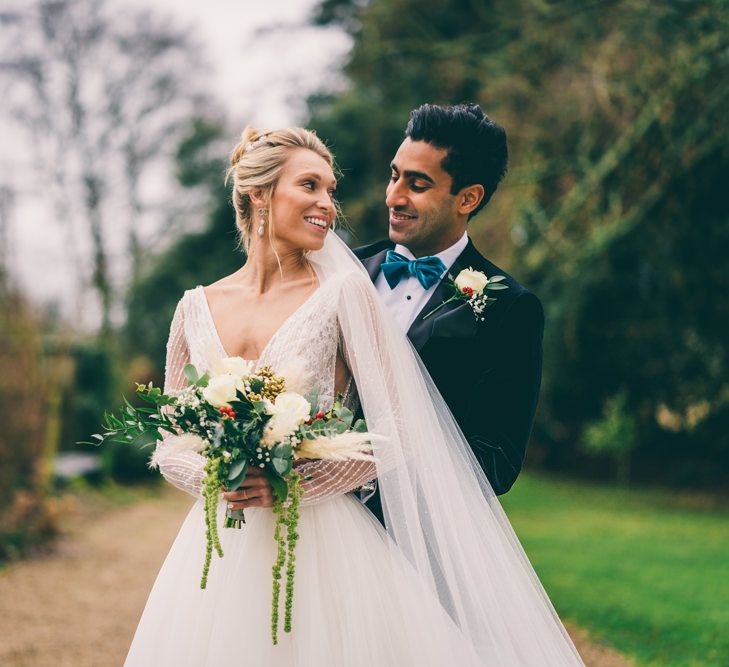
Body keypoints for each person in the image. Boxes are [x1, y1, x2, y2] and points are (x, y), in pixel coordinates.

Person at [125, 127, 583, 665]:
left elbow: (439, 435)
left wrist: (294, 480)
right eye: (311, 186)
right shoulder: (206, 304)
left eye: (415, 183)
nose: (333, 204)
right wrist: (228, 474)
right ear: (259, 193)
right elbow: (173, 436)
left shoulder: (354, 292)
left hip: (351, 538)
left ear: (468, 198)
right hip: (226, 542)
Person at [354, 103, 542, 524]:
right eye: (393, 175)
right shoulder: (342, 271)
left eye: (417, 185)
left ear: (468, 198)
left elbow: (496, 460)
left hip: (416, 544)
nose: (393, 197)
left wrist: (361, 478)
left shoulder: (509, 307)